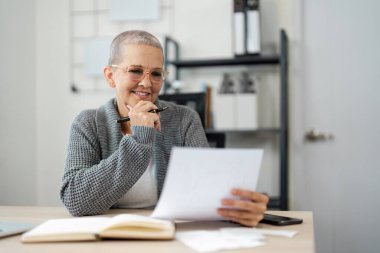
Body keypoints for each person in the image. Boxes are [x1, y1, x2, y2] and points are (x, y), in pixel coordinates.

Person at [60, 30, 269, 227]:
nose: (146, 83)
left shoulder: (185, 119)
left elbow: (206, 190)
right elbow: (76, 200)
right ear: (110, 76)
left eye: (156, 74)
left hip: (167, 231)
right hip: (108, 231)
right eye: (135, 71)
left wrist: (241, 207)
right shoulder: (88, 122)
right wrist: (139, 140)